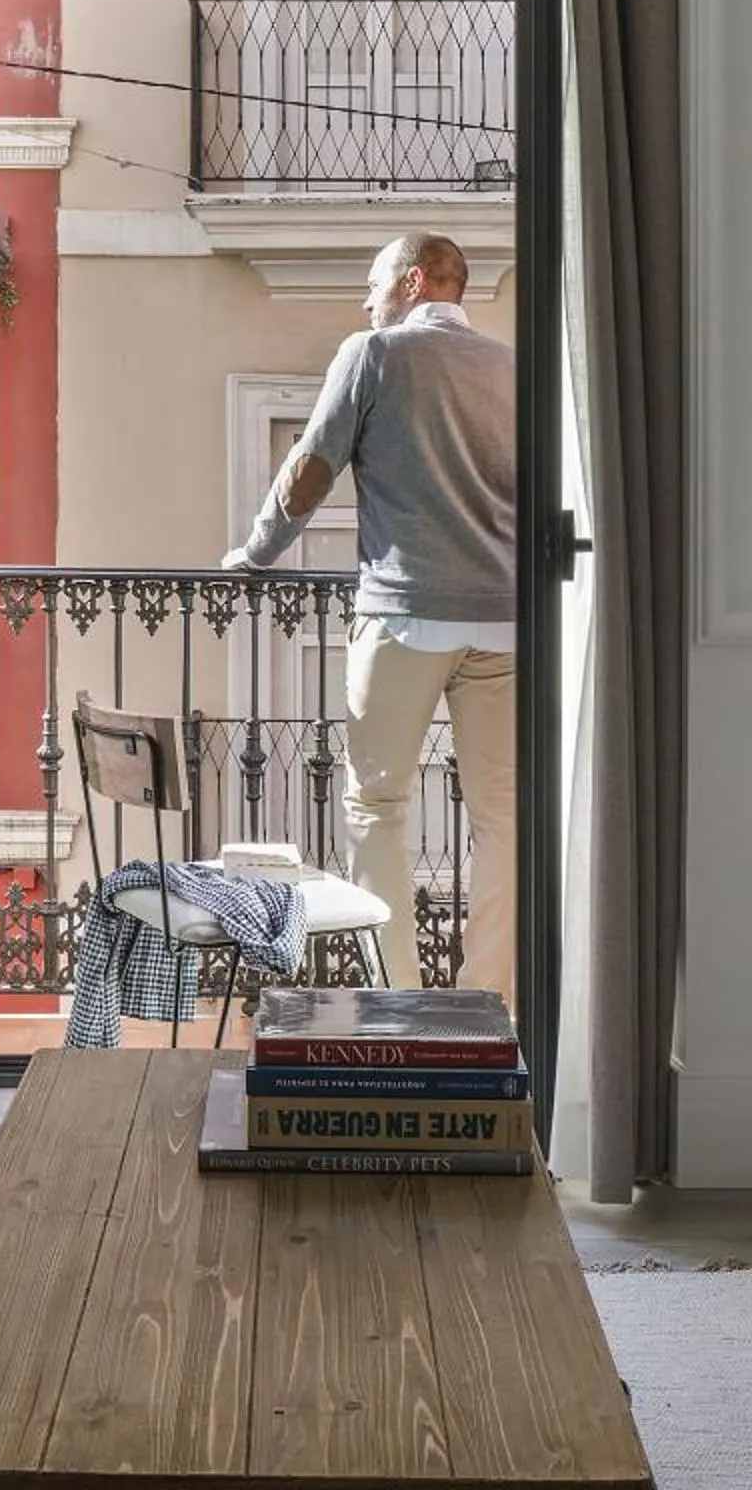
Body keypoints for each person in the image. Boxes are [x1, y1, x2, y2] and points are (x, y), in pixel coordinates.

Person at [223, 232, 515, 1000]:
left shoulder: (374, 354)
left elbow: (310, 469)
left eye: (375, 284)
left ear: (414, 282)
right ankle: (488, 1001)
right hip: (505, 622)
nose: (365, 301)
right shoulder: (510, 367)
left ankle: (398, 998)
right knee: (503, 820)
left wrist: (256, 553)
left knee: (376, 805)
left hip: (405, 614)